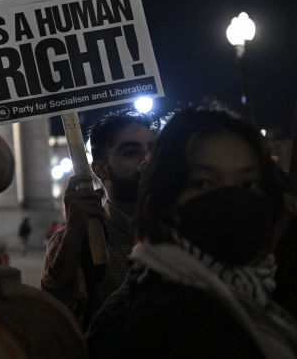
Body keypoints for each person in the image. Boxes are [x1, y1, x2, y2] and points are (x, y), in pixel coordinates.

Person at [120, 107, 297, 358]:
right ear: (166, 196)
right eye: (203, 183)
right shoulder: (169, 321)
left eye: (248, 184)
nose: (232, 199)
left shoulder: (260, 288)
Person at [41, 110, 155, 329]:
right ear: (101, 169)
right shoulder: (77, 240)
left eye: (153, 150)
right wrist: (74, 234)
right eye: (131, 152)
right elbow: (56, 321)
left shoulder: (184, 229)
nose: (147, 162)